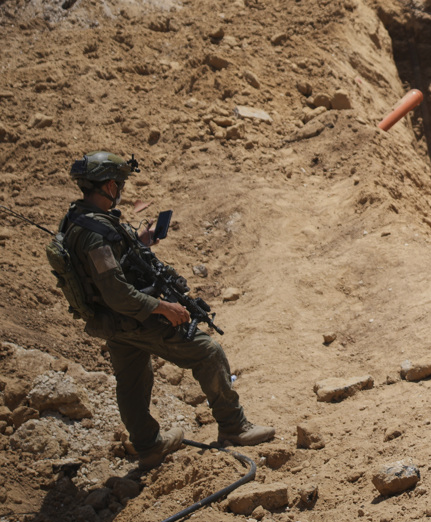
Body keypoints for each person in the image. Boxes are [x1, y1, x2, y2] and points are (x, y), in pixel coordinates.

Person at [58, 152, 274, 467]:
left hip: (111, 322)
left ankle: (148, 447)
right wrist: (163, 307)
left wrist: (140, 242)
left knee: (132, 380)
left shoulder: (79, 217)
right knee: (208, 352)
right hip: (131, 317)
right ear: (108, 185)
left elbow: (108, 268)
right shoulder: (93, 235)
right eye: (119, 184)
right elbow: (117, 293)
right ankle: (234, 426)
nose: (121, 190)